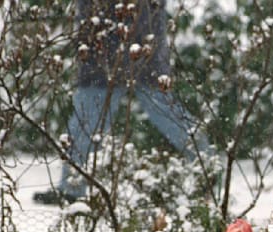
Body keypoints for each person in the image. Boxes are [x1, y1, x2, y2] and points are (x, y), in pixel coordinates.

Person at [35, 0, 204, 205]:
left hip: (138, 42)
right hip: (101, 51)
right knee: (86, 122)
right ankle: (71, 187)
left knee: (166, 114)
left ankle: (208, 169)